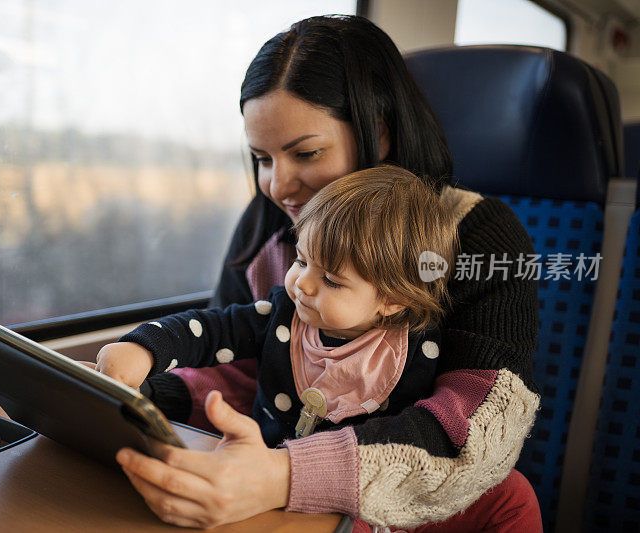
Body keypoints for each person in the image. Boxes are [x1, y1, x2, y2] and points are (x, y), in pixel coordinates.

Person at [109, 14, 542, 531]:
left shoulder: (477, 236)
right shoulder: (270, 228)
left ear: (377, 134)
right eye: (261, 158)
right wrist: (149, 397)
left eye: (306, 153)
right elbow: (242, 363)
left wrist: (282, 474)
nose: (276, 185)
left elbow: (478, 429)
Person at [97, 166, 453, 454]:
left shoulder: (416, 352)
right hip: (260, 468)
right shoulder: (282, 314)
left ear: (393, 300)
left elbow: (405, 447)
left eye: (330, 279)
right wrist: (143, 349)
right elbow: (208, 331)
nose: (302, 284)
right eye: (301, 260)